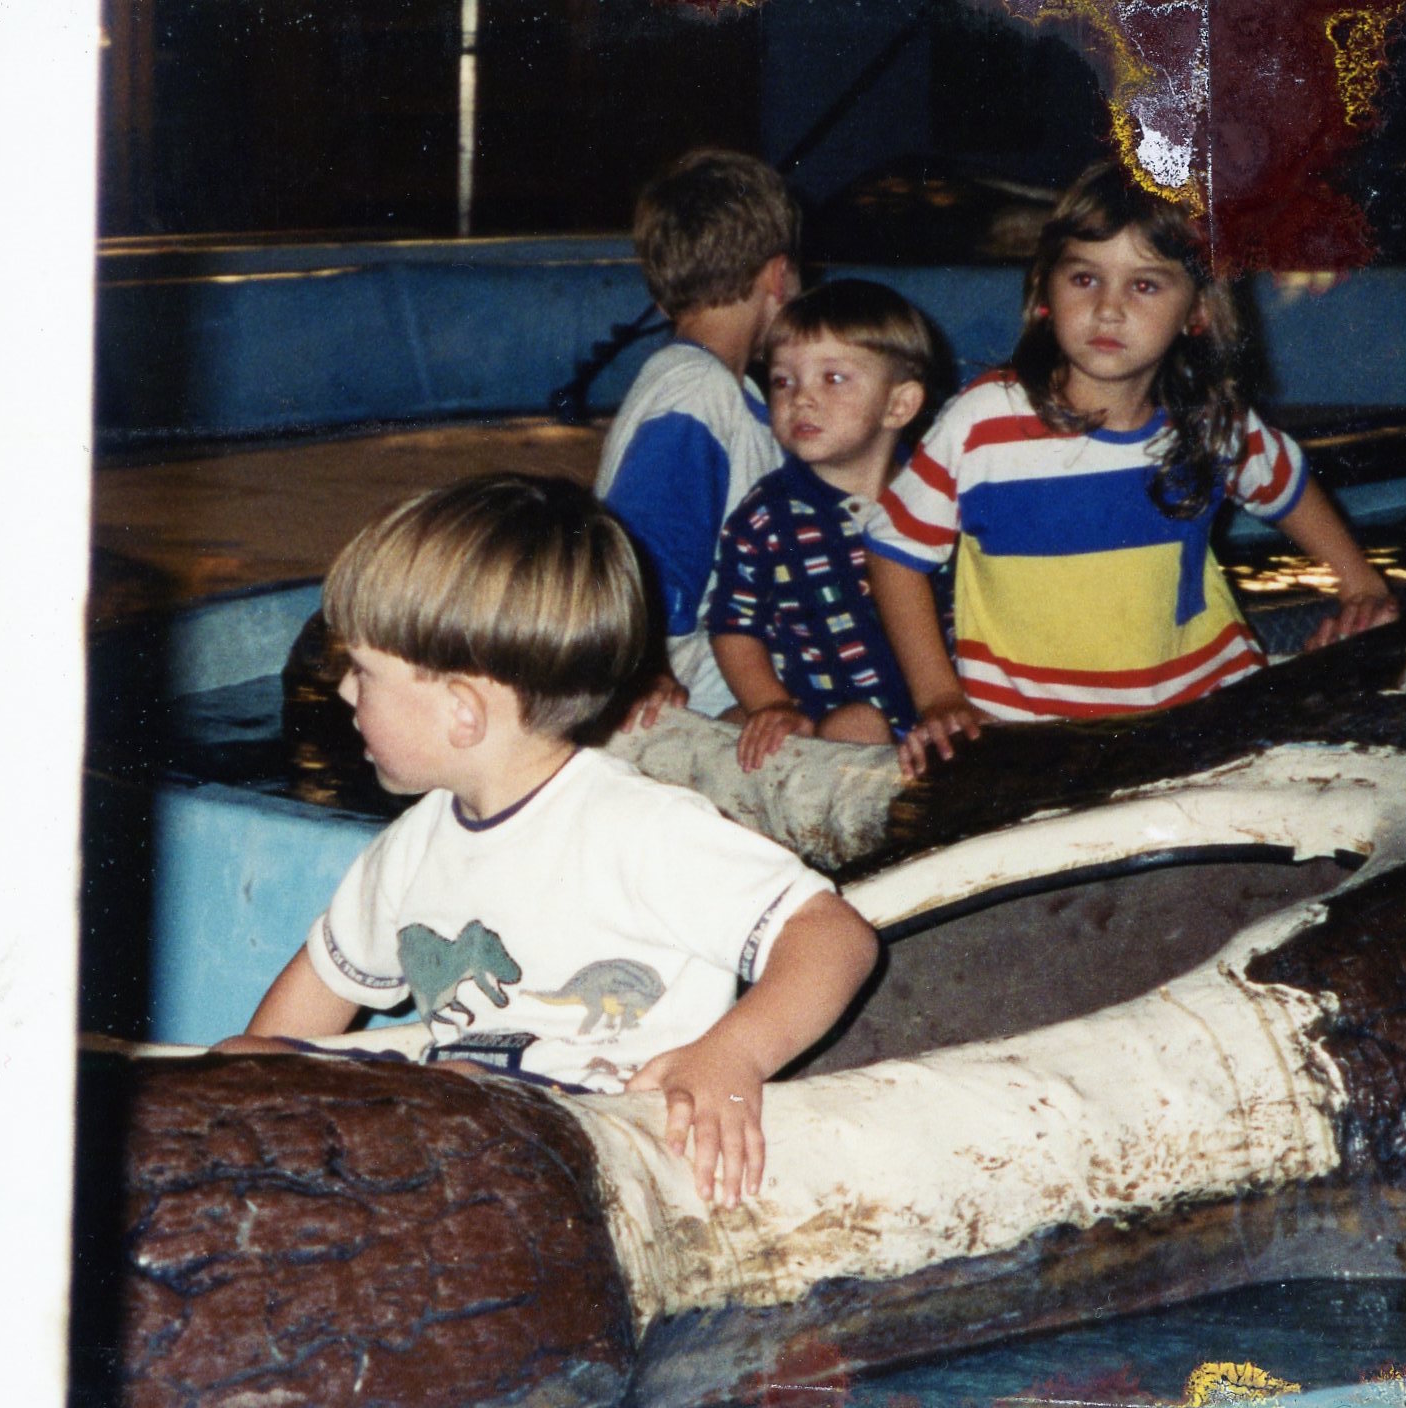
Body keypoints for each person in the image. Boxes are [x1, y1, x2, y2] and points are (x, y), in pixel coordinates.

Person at [217, 474, 881, 1208]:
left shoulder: (638, 827)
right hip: (457, 1111)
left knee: (458, 1089)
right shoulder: (411, 847)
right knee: (238, 1057)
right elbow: (304, 1007)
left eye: (366, 673)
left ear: (463, 712)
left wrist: (732, 1058)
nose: (345, 691)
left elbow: (834, 936)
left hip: (602, 1140)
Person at [862, 161, 1401, 771]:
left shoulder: (1208, 420)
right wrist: (939, 697)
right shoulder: (985, 422)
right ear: (1045, 292)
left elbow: (1286, 485)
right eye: (1084, 278)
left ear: (1198, 310)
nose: (1108, 309)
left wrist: (1360, 584)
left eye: (1144, 285)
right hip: (1035, 733)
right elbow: (893, 551)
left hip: (1205, 711)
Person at [595, 148, 800, 716]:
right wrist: (649, 670)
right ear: (778, 276)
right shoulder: (696, 394)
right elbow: (643, 549)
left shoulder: (730, 393)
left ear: (662, 300)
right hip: (697, 702)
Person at [706, 279, 934, 771]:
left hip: (931, 717)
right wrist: (771, 704)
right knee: (852, 726)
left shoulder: (932, 500)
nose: (801, 399)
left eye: (832, 378)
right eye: (783, 381)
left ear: (898, 405)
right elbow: (733, 625)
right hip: (820, 721)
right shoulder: (766, 516)